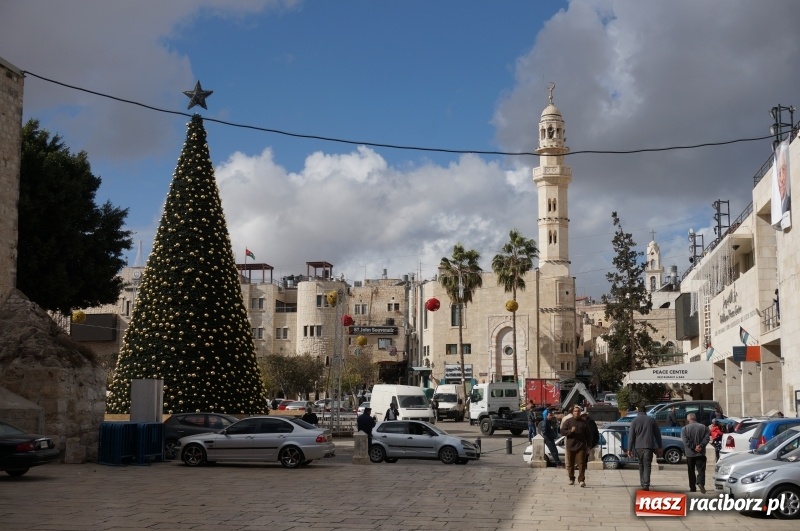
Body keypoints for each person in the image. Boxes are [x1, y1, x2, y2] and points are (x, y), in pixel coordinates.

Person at [627, 404, 663, 491]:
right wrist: (660, 446)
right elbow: (657, 435)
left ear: (638, 411)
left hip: (638, 446)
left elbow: (631, 436)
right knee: (647, 465)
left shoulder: (634, 421)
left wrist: (629, 449)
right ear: (645, 411)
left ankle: (642, 482)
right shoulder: (651, 420)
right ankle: (646, 484)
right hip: (649, 446)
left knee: (641, 465)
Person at [560, 405, 593, 487]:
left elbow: (589, 435)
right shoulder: (568, 421)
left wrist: (589, 446)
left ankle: (581, 480)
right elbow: (562, 432)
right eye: (575, 411)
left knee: (581, 463)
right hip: (570, 445)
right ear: (572, 412)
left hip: (581, 446)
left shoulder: (584, 422)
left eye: (578, 411)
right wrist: (570, 431)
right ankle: (571, 478)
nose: (577, 412)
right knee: (570, 463)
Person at [681, 412, 710, 493]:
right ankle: (700, 483)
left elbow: (685, 441)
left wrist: (693, 447)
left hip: (690, 453)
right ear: (695, 418)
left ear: (688, 419)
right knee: (701, 470)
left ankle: (692, 487)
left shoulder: (685, 429)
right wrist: (700, 446)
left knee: (691, 470)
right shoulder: (704, 427)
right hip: (700, 453)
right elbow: (707, 438)